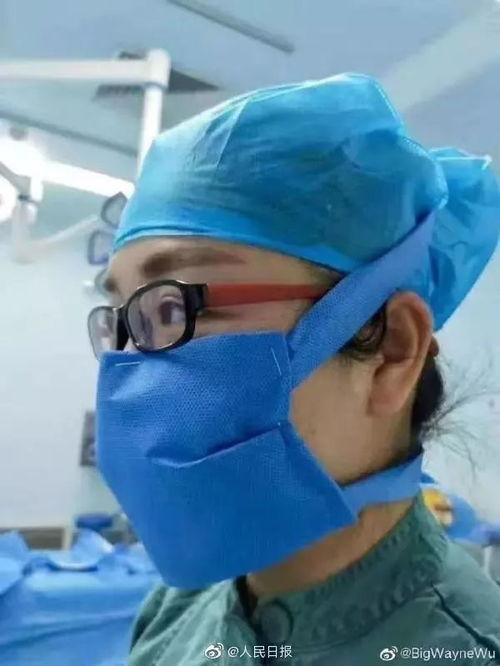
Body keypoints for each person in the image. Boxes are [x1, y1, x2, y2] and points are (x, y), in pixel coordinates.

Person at [88, 74, 500, 665]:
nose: (128, 373)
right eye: (122, 322)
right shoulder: (175, 612)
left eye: (173, 309)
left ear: (393, 352)